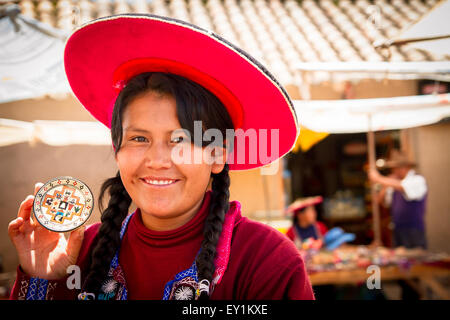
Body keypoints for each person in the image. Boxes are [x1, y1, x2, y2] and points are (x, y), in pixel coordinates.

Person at [8, 14, 314, 300]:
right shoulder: (80, 251)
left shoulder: (267, 261)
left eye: (180, 139)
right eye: (139, 138)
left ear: (218, 155)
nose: (156, 159)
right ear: (117, 150)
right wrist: (42, 280)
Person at [368, 149, 428, 249]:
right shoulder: (394, 183)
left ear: (406, 167)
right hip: (398, 229)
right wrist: (385, 185)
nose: (394, 171)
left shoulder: (417, 180)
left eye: (397, 168)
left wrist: (379, 178)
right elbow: (380, 201)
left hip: (413, 230)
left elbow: (403, 186)